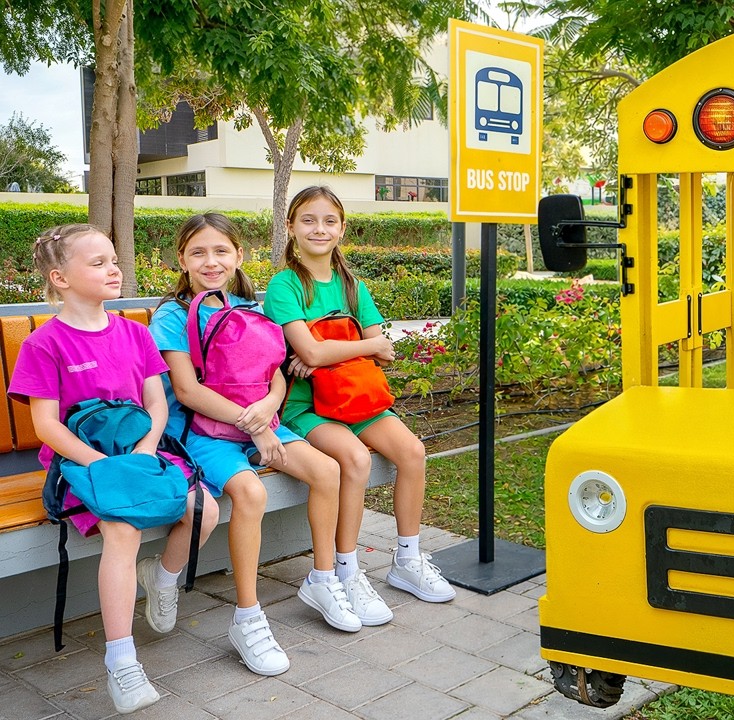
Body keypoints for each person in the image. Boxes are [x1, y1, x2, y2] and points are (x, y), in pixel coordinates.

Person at [8, 224, 220, 714]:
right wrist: (104, 465)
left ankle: (163, 580)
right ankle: (121, 661)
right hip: (81, 459)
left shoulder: (134, 332)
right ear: (60, 278)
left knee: (204, 511)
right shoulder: (46, 344)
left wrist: (145, 449)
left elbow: (155, 403)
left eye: (113, 259)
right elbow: (46, 426)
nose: (114, 269)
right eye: (98, 262)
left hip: (139, 448)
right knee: (122, 530)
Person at [149, 214, 360, 676]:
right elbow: (187, 391)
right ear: (181, 259)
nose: (211, 261)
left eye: (221, 251)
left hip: (258, 418)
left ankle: (323, 578)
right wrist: (256, 425)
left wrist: (268, 407)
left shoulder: (251, 306)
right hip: (202, 432)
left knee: (328, 471)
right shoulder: (170, 316)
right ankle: (247, 617)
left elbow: (277, 374)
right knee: (251, 492)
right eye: (198, 252)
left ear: (239, 256)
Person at [265, 186, 455, 626]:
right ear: (291, 227)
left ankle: (407, 559)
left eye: (329, 220)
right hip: (306, 406)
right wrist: (353, 345)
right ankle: (344, 570)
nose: (319, 229)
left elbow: (383, 352)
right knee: (353, 457)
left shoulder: (353, 285)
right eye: (308, 220)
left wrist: (327, 348)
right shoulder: (285, 285)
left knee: (412, 452)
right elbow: (312, 355)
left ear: (342, 228)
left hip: (358, 397)